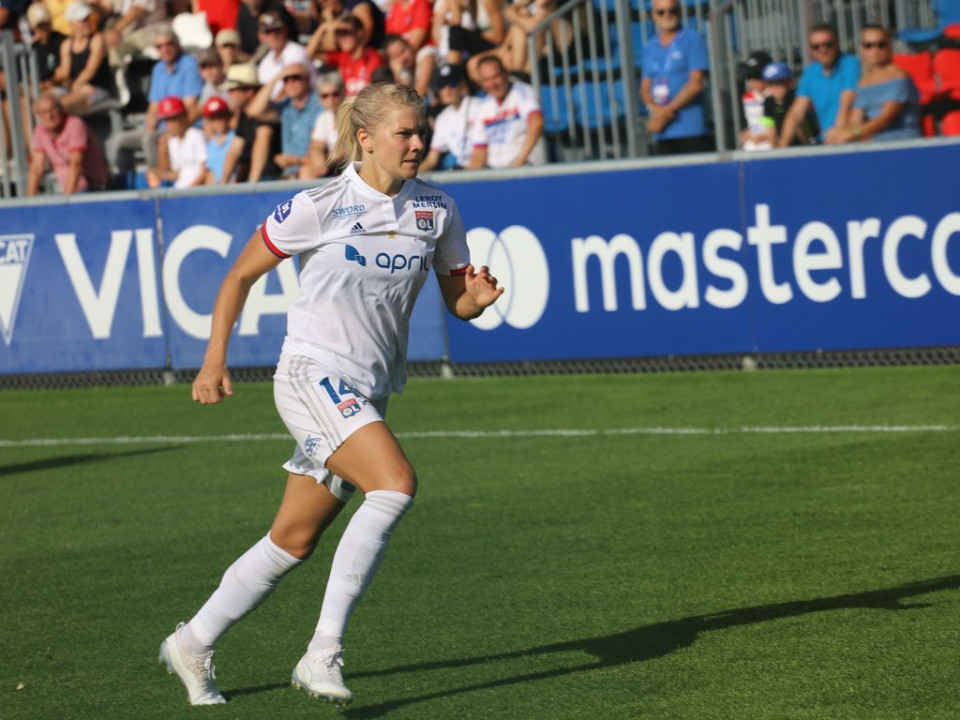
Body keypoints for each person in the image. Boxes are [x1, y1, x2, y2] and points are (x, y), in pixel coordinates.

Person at [159, 81, 503, 708]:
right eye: (405, 133)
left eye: (422, 132)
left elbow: (458, 299)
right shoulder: (319, 204)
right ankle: (322, 653)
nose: (418, 143)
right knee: (394, 483)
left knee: (292, 540)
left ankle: (193, 641)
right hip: (310, 373)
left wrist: (473, 303)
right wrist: (213, 361)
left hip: (366, 389)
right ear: (365, 138)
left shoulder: (438, 210)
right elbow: (238, 276)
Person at [105, 25, 204, 179]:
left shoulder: (189, 65)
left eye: (169, 44)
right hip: (163, 128)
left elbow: (190, 106)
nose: (165, 49)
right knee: (120, 141)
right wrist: (150, 128)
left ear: (177, 44)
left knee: (150, 139)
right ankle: (126, 184)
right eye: (159, 46)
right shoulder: (158, 69)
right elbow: (153, 108)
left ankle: (157, 184)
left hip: (183, 126)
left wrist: (168, 132)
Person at [825, 24, 921, 144]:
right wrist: (839, 134)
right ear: (862, 49)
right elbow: (855, 120)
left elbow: (885, 119)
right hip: (873, 137)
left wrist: (851, 134)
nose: (875, 51)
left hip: (903, 139)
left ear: (889, 47)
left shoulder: (900, 77)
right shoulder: (863, 83)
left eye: (881, 45)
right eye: (868, 46)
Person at [640, 0, 711, 155]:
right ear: (653, 15)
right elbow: (645, 87)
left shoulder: (692, 39)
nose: (667, 15)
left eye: (672, 11)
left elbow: (696, 83)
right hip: (662, 130)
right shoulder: (650, 46)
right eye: (661, 12)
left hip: (690, 129)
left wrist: (665, 112)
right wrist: (654, 109)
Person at [778, 22, 860, 147]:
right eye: (816, 46)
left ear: (837, 44)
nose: (823, 50)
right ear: (810, 49)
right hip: (827, 140)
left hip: (851, 140)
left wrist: (836, 137)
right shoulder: (811, 72)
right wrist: (781, 148)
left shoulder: (850, 64)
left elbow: (846, 105)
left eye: (828, 44)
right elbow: (795, 113)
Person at [467, 55, 545, 169]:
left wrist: (519, 161)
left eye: (496, 77)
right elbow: (479, 151)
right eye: (486, 80)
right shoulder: (483, 106)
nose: (492, 84)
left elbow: (537, 122)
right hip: (495, 172)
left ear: (506, 73)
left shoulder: (522, 91)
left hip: (525, 168)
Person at [247, 61, 322, 178]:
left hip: (313, 174)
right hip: (290, 175)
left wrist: (295, 161)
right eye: (286, 79)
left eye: (296, 78)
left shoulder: (320, 104)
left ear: (307, 80)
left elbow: (324, 154)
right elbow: (253, 111)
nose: (290, 83)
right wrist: (276, 78)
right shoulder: (285, 107)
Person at [26, 92, 109, 196]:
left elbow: (76, 164)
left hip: (93, 188)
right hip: (67, 190)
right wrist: (29, 202)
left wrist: (66, 200)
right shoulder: (40, 130)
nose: (49, 116)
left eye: (52, 110)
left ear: (61, 109)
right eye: (43, 112)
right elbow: (36, 167)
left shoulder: (75, 124)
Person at [54, 2, 116, 115]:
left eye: (88, 18)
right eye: (82, 20)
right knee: (44, 103)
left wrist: (75, 87)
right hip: (76, 89)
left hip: (97, 88)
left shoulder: (97, 39)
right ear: (72, 23)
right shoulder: (66, 45)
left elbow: (90, 70)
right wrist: (61, 79)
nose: (87, 23)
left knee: (62, 105)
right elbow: (65, 75)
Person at [420, 64, 479, 171]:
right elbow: (432, 159)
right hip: (463, 171)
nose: (447, 90)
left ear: (462, 85)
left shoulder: (480, 107)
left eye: (452, 83)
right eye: (442, 85)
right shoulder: (442, 118)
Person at [148, 95, 207, 188]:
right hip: (180, 191)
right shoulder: (172, 141)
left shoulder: (195, 135)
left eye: (174, 119)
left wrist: (188, 191)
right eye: (167, 120)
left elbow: (204, 172)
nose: (170, 125)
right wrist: (160, 173)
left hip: (196, 192)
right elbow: (179, 173)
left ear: (184, 117)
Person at [320, 15, 384, 97]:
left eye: (346, 33)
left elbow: (377, 94)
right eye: (339, 35)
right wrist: (323, 27)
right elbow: (310, 53)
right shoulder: (343, 56)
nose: (342, 39)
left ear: (359, 33)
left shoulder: (374, 58)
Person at [256, 9, 313, 100]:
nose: (273, 35)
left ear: (285, 29)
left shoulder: (296, 52)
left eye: (276, 30)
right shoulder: (265, 62)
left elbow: (292, 89)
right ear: (260, 36)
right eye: (268, 31)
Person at [304, 71, 345, 177]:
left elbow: (348, 151)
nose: (330, 99)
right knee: (307, 170)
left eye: (335, 94)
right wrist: (317, 156)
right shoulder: (324, 117)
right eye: (325, 96)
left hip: (352, 167)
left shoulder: (352, 113)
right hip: (334, 167)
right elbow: (316, 145)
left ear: (343, 92)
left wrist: (324, 161)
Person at [738, 50, 772, 151]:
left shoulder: (775, 97)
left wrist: (763, 137)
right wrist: (744, 133)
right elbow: (746, 125)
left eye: (757, 76)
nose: (753, 81)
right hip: (751, 150)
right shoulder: (746, 98)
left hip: (772, 150)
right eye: (749, 77)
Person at [382, 34, 433, 99]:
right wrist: (397, 74)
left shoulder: (426, 54)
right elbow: (404, 96)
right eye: (396, 56)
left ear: (409, 46)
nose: (402, 58)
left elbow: (421, 90)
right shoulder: (404, 70)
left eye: (403, 51)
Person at [202, 95, 235, 183]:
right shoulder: (211, 145)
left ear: (228, 116)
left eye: (221, 116)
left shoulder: (237, 138)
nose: (218, 121)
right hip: (217, 190)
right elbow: (210, 173)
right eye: (213, 118)